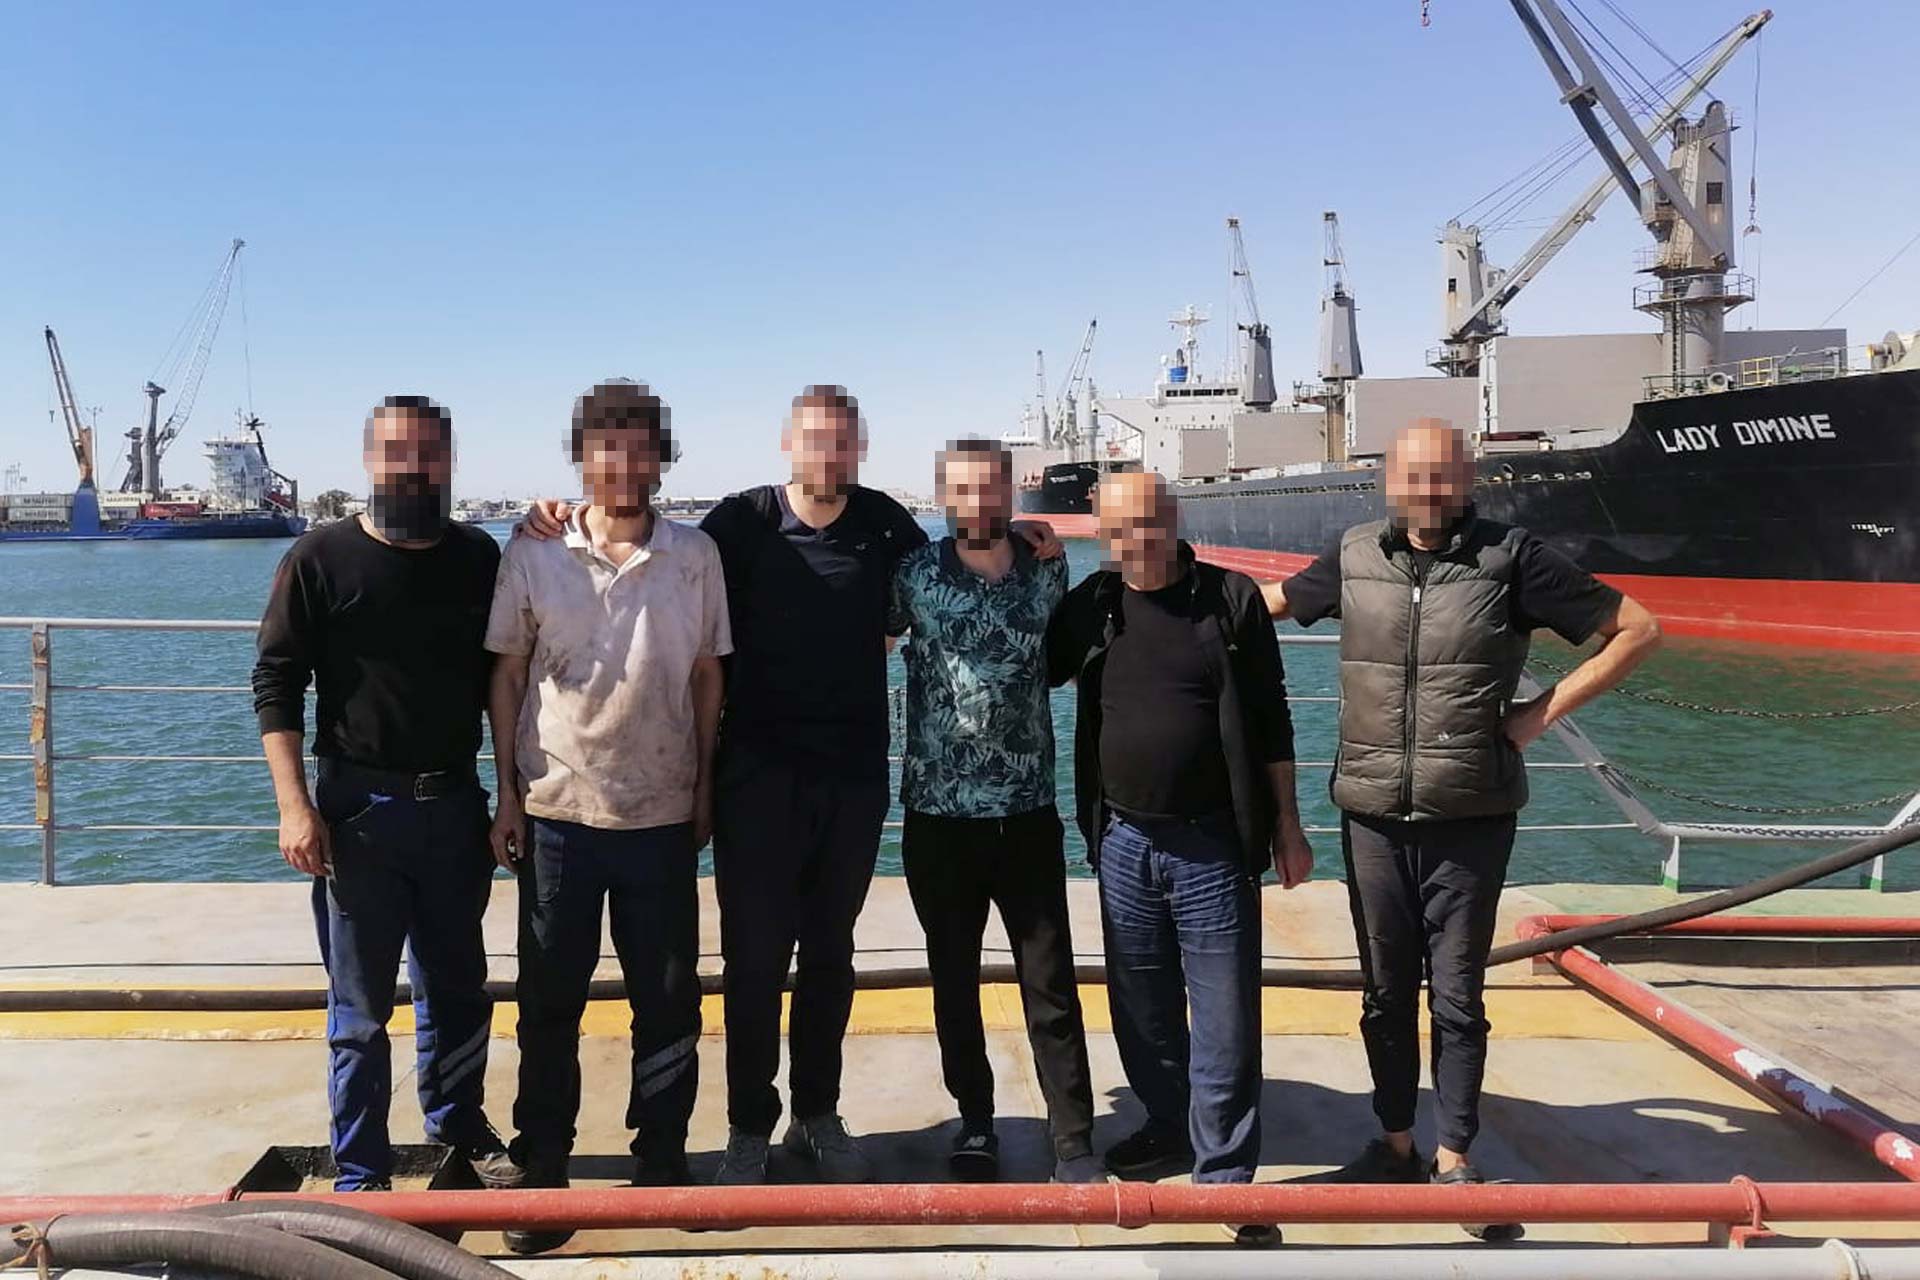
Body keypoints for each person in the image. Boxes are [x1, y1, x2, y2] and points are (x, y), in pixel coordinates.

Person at [520, 385, 1061, 1186]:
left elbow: (957, 560)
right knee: (755, 960)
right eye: (814, 439)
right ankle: (748, 1124)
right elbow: (655, 548)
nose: (828, 454)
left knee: (831, 956)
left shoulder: (884, 523)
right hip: (755, 778)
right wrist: (561, 513)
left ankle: (817, 1112)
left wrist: (1019, 531)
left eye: (842, 440)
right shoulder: (741, 522)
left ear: (859, 448)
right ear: (787, 443)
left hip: (852, 778)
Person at [1265, 418, 1660, 1234]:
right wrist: (1140, 577)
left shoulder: (1510, 557)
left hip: (1472, 814)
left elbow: (1638, 629)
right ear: (1390, 479)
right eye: (1412, 475)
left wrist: (1539, 714)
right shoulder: (1356, 553)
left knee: (1456, 996)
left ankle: (1455, 1160)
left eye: (1441, 475)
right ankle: (1394, 1146)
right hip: (1371, 814)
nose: (1426, 490)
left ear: (1466, 477)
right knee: (1383, 995)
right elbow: (1261, 604)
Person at [484, 381, 730, 1253]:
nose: (622, 466)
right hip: (557, 811)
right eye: (605, 451)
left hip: (660, 813)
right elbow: (507, 671)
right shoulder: (534, 551)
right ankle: (544, 1164)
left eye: (639, 450)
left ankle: (660, 1156)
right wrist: (507, 794)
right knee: (549, 1002)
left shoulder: (695, 555)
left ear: (662, 460)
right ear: (581, 460)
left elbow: (707, 674)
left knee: (668, 1000)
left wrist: (704, 788)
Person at [252, 395, 519, 1193]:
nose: (415, 466)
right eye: (399, 451)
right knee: (360, 1012)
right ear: (371, 458)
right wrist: (294, 807)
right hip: (356, 815)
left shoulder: (478, 556)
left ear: (450, 460)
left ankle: (459, 1125)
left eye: (430, 451)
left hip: (455, 807)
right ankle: (361, 1171)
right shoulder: (319, 557)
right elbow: (275, 682)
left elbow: (503, 681)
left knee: (459, 991)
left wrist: (508, 795)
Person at [1047, 469, 1311, 1248]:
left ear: (1173, 519)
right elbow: (1038, 665)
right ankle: (1168, 1124)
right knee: (1142, 1007)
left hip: (1212, 843)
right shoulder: (1093, 604)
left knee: (1226, 1016)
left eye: (1146, 523)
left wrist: (1287, 825)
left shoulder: (1230, 600)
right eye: (1117, 528)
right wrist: (1034, 558)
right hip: (1124, 839)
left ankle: (1224, 1177)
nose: (1134, 541)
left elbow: (1271, 718)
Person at [889, 439, 1102, 1185]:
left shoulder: (1047, 567)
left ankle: (1073, 1138)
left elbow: (1068, 656)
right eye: (964, 489)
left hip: (1027, 812)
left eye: (991, 487)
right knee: (954, 981)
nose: (978, 500)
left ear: (1009, 490)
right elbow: (863, 642)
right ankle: (976, 1120)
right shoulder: (913, 574)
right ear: (945, 494)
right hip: (937, 815)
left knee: (1050, 982)